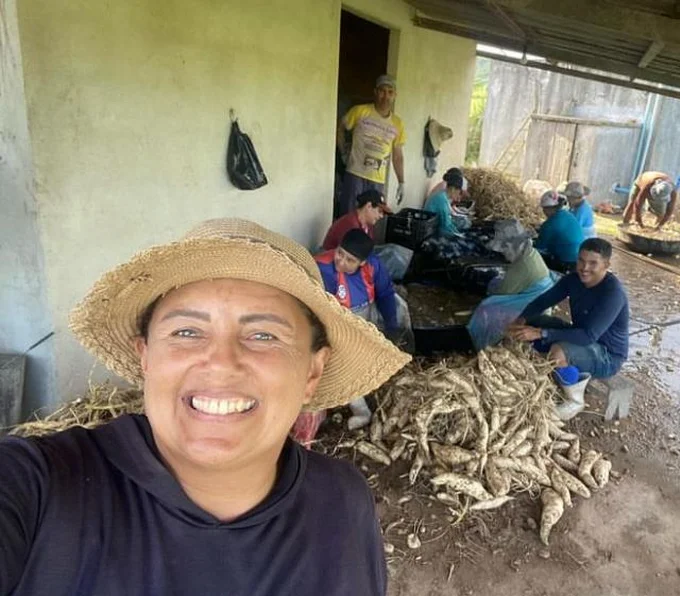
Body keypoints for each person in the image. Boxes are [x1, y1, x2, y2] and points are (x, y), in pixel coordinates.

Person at [0, 218, 410, 596]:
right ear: (145, 357)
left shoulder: (343, 505)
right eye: (186, 331)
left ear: (311, 372)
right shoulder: (43, 490)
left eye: (264, 335)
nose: (220, 362)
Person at [315, 229, 413, 430]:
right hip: (338, 319)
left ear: (362, 262)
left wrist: (392, 327)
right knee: (347, 358)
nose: (341, 262)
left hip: (365, 313)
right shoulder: (323, 267)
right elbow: (319, 309)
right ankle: (360, 408)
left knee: (398, 306)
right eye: (340, 253)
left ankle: (390, 366)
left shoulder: (373, 266)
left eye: (350, 260)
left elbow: (385, 293)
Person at [509, 237, 629, 380]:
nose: (584, 268)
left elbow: (588, 336)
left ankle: (573, 396)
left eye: (593, 263)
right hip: (579, 334)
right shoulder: (573, 279)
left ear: (606, 265)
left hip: (607, 354)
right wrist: (521, 318)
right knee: (533, 321)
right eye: (581, 261)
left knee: (558, 352)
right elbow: (543, 301)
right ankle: (532, 361)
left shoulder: (613, 294)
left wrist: (541, 333)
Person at [467, 219, 555, 350]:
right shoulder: (530, 253)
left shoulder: (522, 266)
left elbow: (502, 293)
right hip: (544, 299)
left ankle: (484, 344)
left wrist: (490, 293)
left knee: (487, 306)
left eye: (504, 248)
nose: (502, 252)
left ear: (514, 245)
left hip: (537, 307)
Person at [337, 75, 406, 216]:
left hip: (377, 179)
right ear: (375, 92)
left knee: (371, 219)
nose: (385, 96)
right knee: (349, 217)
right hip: (355, 173)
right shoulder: (360, 111)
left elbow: (397, 156)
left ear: (395, 96)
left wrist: (401, 182)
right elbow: (340, 128)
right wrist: (343, 151)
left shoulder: (397, 123)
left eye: (390, 92)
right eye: (382, 91)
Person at [323, 189, 391, 250]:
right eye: (379, 211)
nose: (381, 216)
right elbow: (351, 256)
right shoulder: (350, 224)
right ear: (368, 206)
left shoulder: (368, 225)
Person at [534, 189, 584, 273]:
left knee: (534, 256)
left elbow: (539, 247)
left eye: (544, 209)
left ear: (548, 208)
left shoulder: (550, 224)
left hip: (565, 262)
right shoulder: (567, 214)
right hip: (578, 259)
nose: (543, 211)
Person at [423, 170, 466, 237]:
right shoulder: (441, 199)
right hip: (430, 233)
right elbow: (445, 228)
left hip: (433, 228)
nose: (458, 195)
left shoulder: (443, 196)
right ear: (453, 189)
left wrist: (458, 233)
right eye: (459, 192)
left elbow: (447, 223)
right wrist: (458, 236)